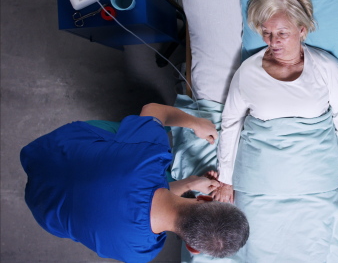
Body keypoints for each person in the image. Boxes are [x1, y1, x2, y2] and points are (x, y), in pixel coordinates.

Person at [21, 103, 250, 262]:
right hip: (43, 209)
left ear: (204, 199)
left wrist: (195, 123)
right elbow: (138, 207)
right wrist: (188, 183)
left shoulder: (149, 156)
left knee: (137, 142)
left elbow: (153, 110)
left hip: (47, 152)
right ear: (192, 247)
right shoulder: (141, 253)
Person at [212, 0, 338, 210]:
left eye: (282, 33)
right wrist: (226, 179)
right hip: (262, 174)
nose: (273, 41)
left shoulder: (326, 67)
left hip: (313, 173)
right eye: (266, 32)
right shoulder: (248, 72)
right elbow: (231, 122)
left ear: (302, 30)